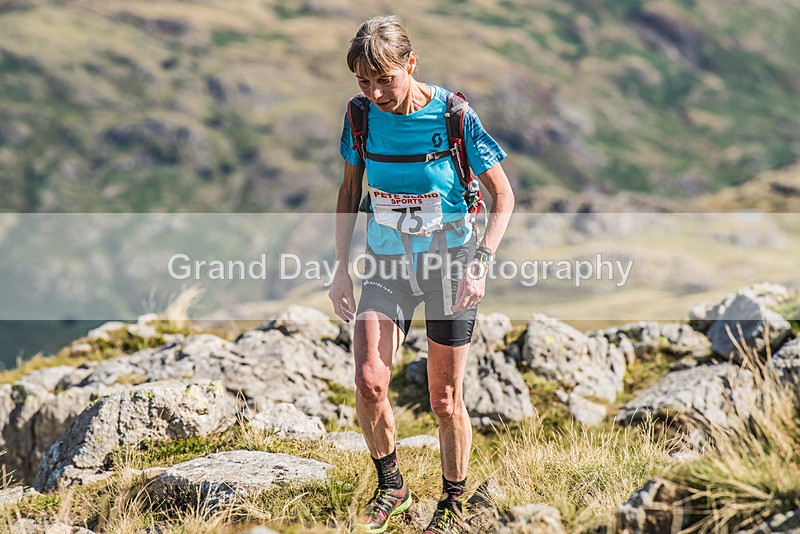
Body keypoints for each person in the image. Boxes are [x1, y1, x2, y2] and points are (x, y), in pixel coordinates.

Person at [328, 15, 514, 534]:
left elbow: (504, 195)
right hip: (387, 266)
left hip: (450, 267)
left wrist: (481, 262)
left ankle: (453, 502)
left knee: (444, 400)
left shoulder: (454, 114)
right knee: (368, 382)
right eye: (364, 81)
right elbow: (348, 194)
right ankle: (394, 485)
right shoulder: (360, 116)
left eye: (385, 78)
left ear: (411, 63)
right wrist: (340, 270)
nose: (376, 91)